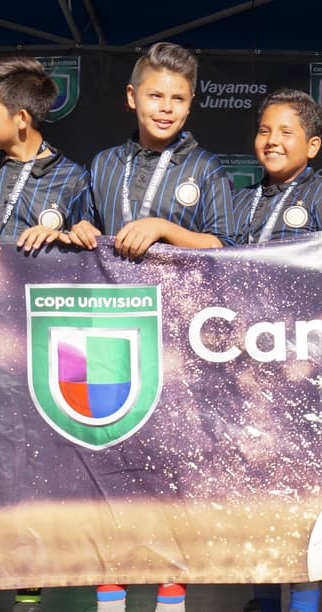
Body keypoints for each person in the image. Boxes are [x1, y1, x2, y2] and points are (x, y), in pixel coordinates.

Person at [66, 41, 233, 612]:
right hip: (110, 331)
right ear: (132, 98)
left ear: (191, 105)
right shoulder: (103, 164)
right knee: (109, 460)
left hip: (180, 336)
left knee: (171, 466)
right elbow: (85, 230)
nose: (165, 108)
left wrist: (164, 228)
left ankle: (171, 594)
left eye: (177, 99)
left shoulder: (206, 169)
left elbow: (227, 249)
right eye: (156, 96)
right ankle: (110, 592)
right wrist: (81, 231)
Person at [0, 56, 91, 611]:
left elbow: (91, 259)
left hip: (41, 337)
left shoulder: (75, 179)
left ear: (22, 118)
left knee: (31, 472)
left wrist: (69, 239)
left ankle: (28, 603)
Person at [235, 89, 322, 612]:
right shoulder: (241, 201)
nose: (272, 141)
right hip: (248, 366)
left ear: (312, 146)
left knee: (303, 486)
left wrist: (310, 343)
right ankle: (265, 600)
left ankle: (305, 604)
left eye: (286, 133)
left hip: (307, 369)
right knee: (259, 482)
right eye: (265, 130)